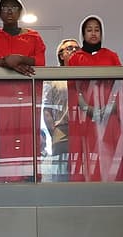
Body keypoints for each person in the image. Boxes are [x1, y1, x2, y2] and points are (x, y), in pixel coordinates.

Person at [0, 0, 46, 182]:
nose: (9, 11)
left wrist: (20, 59)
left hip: (25, 97)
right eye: (4, 7)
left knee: (24, 132)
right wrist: (7, 62)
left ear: (20, 12)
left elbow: (40, 62)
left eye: (13, 7)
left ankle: (25, 175)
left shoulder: (34, 38)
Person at [66, 15, 123, 182]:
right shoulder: (75, 58)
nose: (93, 33)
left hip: (110, 117)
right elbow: (73, 89)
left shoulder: (111, 56)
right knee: (88, 153)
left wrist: (109, 107)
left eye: (97, 30)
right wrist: (87, 108)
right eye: (89, 30)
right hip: (86, 118)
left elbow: (119, 86)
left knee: (112, 153)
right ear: (83, 34)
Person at [41, 38, 79, 181]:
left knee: (82, 168)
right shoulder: (54, 78)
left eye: (77, 48)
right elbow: (47, 109)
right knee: (61, 171)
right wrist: (54, 132)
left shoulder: (85, 75)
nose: (74, 50)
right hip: (62, 128)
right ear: (61, 55)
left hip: (82, 128)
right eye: (69, 48)